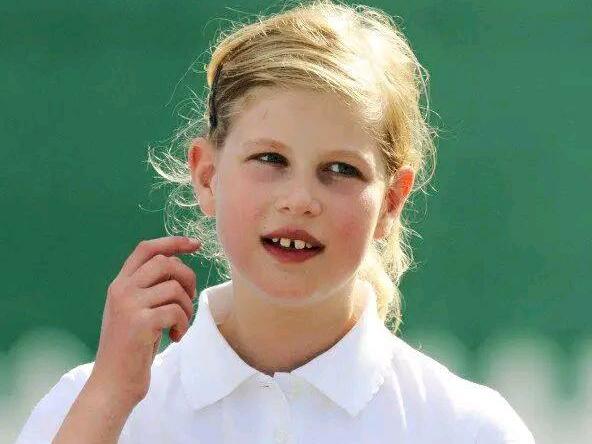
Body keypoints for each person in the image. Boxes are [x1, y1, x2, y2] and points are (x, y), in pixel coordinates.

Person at [16, 1, 535, 443]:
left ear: (391, 201)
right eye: (270, 159)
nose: (300, 200)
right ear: (207, 175)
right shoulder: (88, 411)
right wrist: (108, 400)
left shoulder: (466, 428)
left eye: (341, 170)